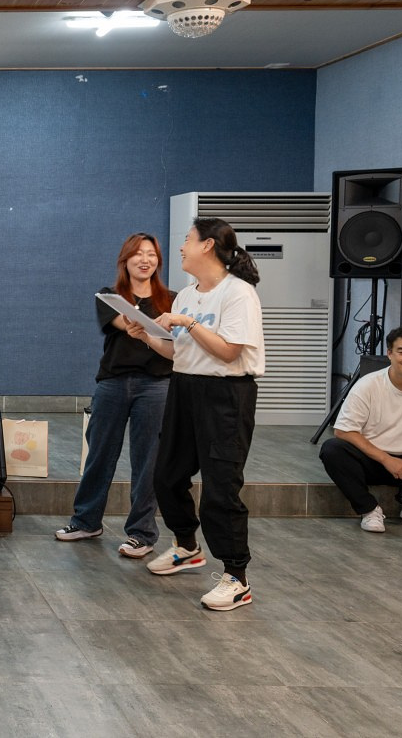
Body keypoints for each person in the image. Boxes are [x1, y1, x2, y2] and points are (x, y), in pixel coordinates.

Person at [125, 217, 264, 612]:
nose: (181, 247)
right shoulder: (187, 293)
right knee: (166, 475)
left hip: (225, 395)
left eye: (187, 240)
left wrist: (187, 322)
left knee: (221, 488)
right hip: (184, 387)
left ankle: (237, 577)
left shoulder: (239, 294)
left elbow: (229, 352)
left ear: (207, 246)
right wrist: (147, 336)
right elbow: (178, 351)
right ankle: (186, 546)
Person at [55, 233, 173, 558]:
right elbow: (124, 323)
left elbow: (173, 342)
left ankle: (141, 534)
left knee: (147, 461)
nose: (145, 260)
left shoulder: (172, 301)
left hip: (157, 385)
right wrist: (146, 327)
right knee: (99, 453)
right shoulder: (109, 296)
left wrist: (149, 329)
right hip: (113, 382)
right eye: (138, 254)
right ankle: (86, 521)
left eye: (151, 254)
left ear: (158, 261)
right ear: (125, 260)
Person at [320, 325, 402, 532]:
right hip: (375, 461)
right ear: (390, 354)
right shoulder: (368, 385)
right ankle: (369, 510)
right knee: (332, 449)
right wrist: (386, 459)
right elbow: (343, 430)